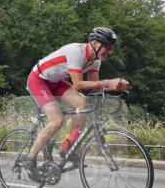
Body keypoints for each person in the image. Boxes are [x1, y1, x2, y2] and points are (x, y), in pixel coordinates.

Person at [21, 27, 129, 174]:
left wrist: (114, 88)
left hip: (56, 82)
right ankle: (30, 159)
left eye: (111, 49)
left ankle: (68, 147)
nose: (109, 52)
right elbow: (78, 85)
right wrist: (108, 81)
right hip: (39, 79)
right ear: (95, 43)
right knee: (57, 120)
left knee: (82, 102)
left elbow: (94, 88)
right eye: (108, 47)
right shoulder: (76, 51)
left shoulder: (95, 61)